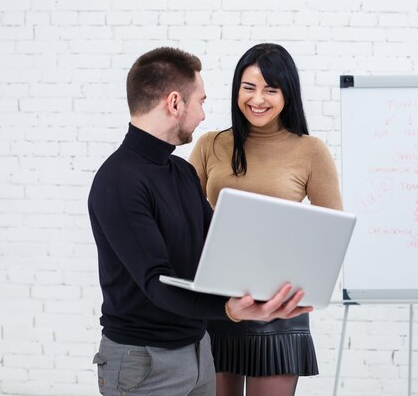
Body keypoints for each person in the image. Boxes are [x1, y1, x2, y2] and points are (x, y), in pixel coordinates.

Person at [88, 46, 313, 396]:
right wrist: (230, 309)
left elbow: (219, 247)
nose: (204, 115)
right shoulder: (119, 181)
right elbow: (156, 282)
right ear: (175, 103)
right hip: (144, 363)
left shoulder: (180, 172)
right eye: (201, 102)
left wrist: (274, 288)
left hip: (199, 353)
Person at [188, 43, 343, 396]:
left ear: (287, 93)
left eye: (271, 89)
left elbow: (330, 235)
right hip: (218, 305)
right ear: (235, 90)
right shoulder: (210, 145)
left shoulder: (311, 150)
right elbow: (184, 221)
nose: (258, 99)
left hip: (279, 307)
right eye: (249, 87)